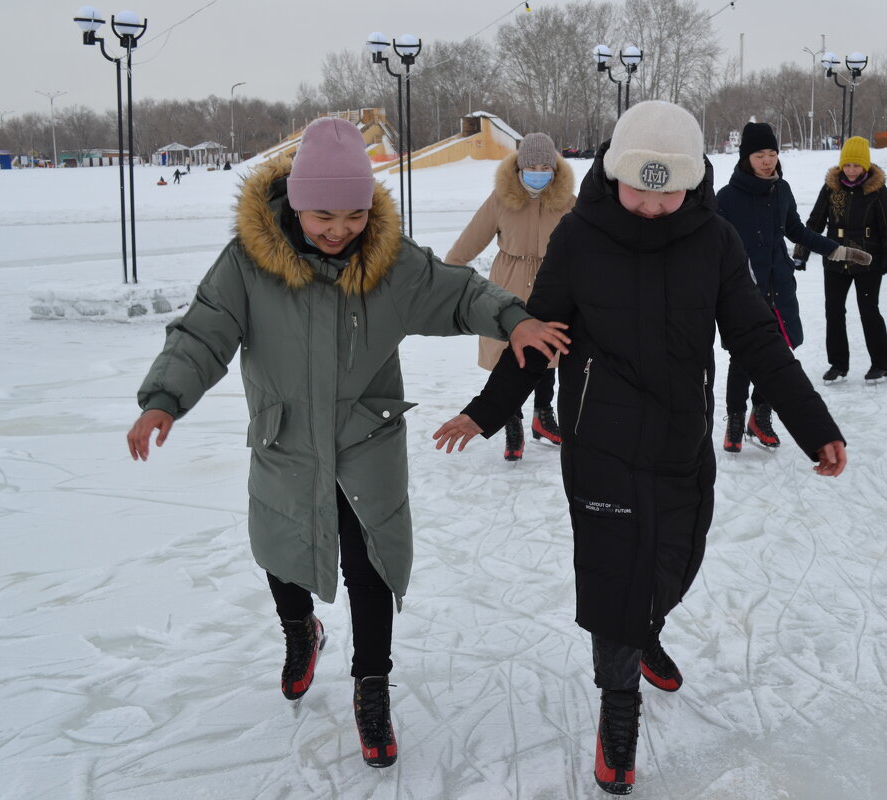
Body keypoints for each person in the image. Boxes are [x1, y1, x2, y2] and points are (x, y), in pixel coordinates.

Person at [124, 118, 568, 770]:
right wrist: (165, 397)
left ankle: (372, 685)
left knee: (369, 566)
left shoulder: (389, 262)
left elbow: (459, 291)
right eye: (322, 214)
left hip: (366, 436)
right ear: (295, 204)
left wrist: (513, 317)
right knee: (282, 551)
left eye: (355, 214)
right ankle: (300, 629)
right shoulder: (248, 265)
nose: (339, 229)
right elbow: (203, 332)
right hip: (287, 437)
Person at [431, 101, 847, 796]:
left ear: (692, 183)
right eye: (640, 190)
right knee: (615, 575)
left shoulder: (714, 241)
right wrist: (486, 410)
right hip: (599, 440)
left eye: (669, 192)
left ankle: (647, 625)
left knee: (676, 561)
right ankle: (617, 708)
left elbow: (756, 339)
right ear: (615, 173)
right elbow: (541, 336)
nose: (654, 207)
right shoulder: (579, 236)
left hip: (682, 438)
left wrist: (815, 423)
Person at [716, 122, 870, 452]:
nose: (768, 160)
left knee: (781, 351)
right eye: (760, 154)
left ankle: (761, 414)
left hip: (780, 286)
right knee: (743, 356)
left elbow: (797, 231)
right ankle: (734, 418)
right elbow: (713, 246)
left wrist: (837, 249)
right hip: (744, 291)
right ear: (746, 157)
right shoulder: (727, 198)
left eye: (772, 153)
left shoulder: (781, 190)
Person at [446, 132, 577, 461]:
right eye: (530, 165)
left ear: (554, 169)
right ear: (518, 168)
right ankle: (512, 420)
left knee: (549, 350)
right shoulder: (501, 199)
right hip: (509, 287)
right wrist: (447, 278)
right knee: (510, 352)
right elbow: (468, 244)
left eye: (545, 166)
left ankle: (543, 414)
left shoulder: (569, 202)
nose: (538, 171)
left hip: (554, 286)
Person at [795, 136, 887, 384]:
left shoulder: (876, 190)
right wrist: (801, 253)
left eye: (856, 165)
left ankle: (880, 364)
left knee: (869, 311)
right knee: (834, 311)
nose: (852, 170)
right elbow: (814, 223)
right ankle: (838, 365)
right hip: (835, 259)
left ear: (865, 166)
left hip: (867, 262)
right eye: (848, 165)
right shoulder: (831, 189)